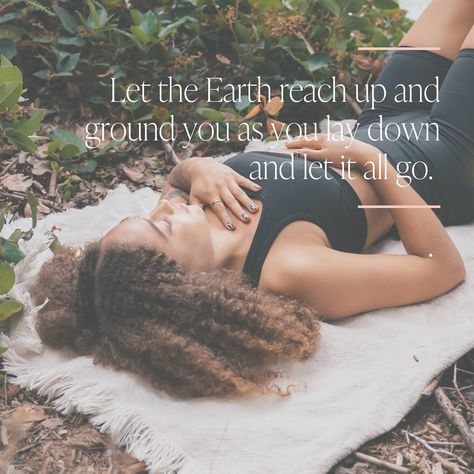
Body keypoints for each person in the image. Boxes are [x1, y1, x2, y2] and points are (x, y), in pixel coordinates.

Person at [34, 0, 474, 398]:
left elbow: (174, 182)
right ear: (184, 283)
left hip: (386, 118)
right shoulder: (287, 269)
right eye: (161, 224)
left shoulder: (195, 216)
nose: (166, 205)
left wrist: (194, 168)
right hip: (449, 154)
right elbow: (441, 268)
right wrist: (367, 158)